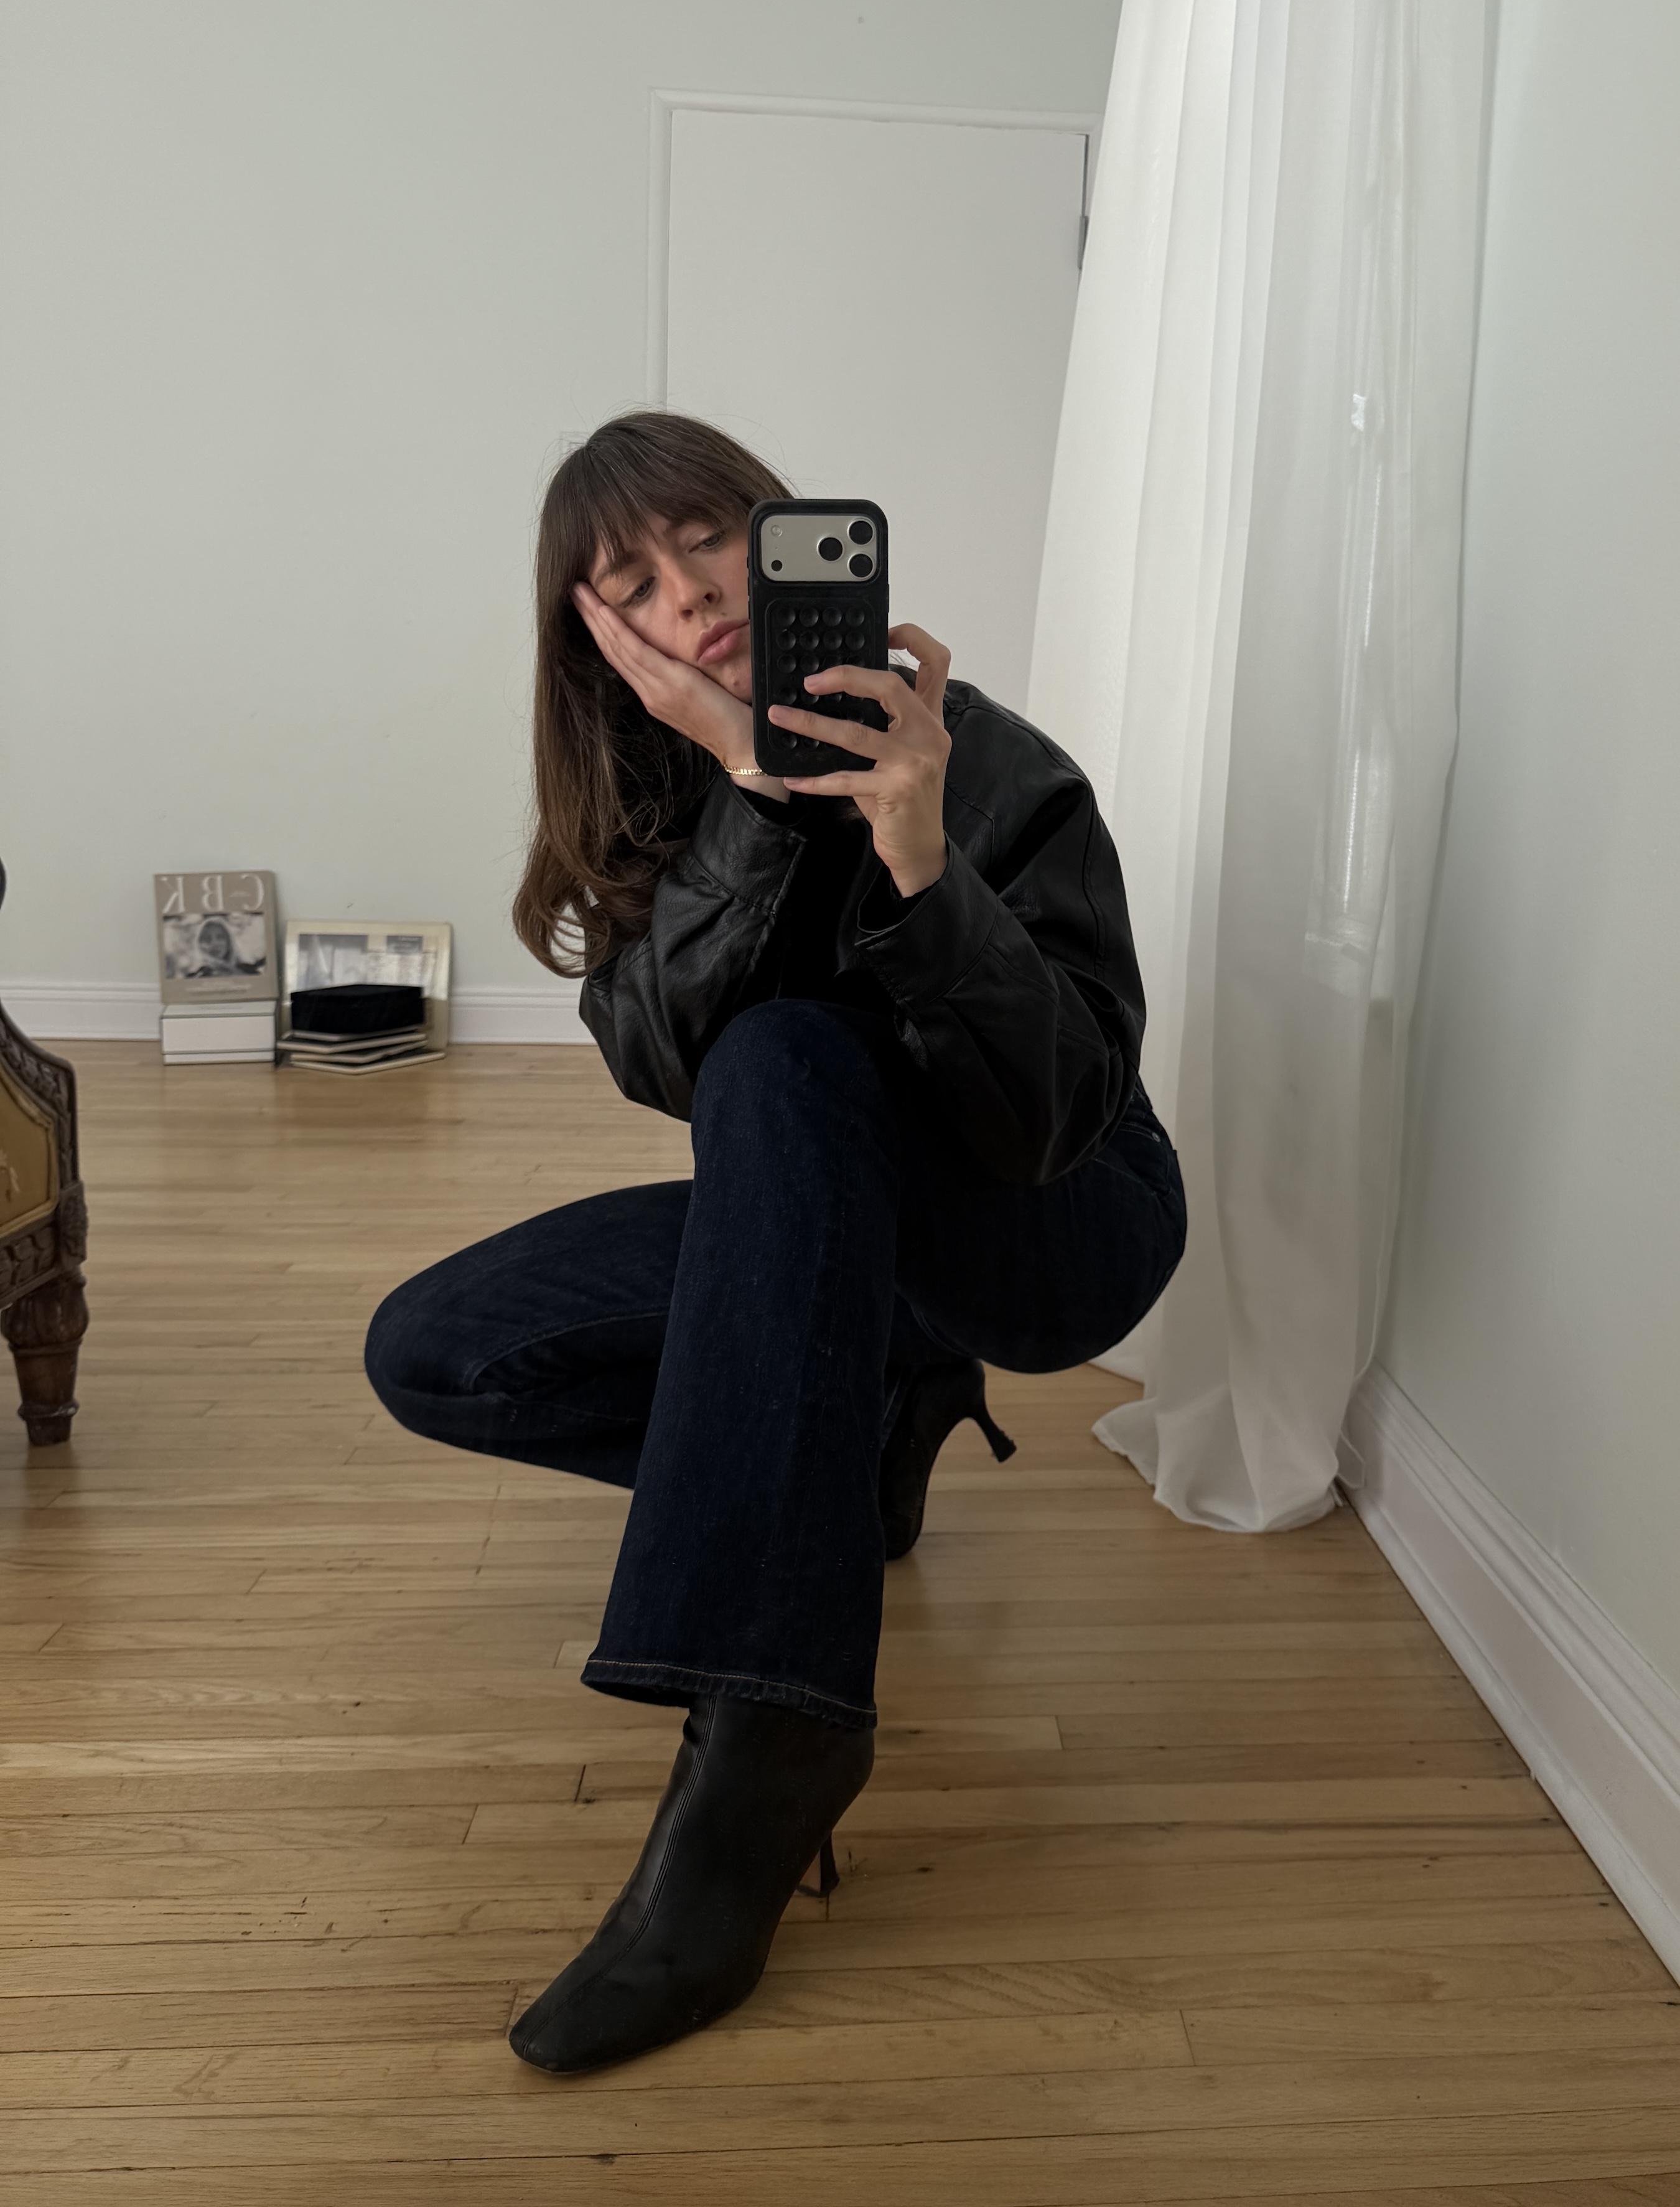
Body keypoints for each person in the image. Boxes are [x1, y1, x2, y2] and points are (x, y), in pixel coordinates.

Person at [364, 412, 1187, 2075]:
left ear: (786, 529)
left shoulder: (991, 760)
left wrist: (915, 851)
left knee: (791, 1051)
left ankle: (767, 1746)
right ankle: (869, 1425)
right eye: (629, 584)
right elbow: (656, 1065)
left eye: (704, 540)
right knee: (442, 1348)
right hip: (827, 1226)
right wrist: (749, 795)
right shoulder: (649, 796)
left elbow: (1054, 1115)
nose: (687, 598)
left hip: (1062, 1218)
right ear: (596, 634)